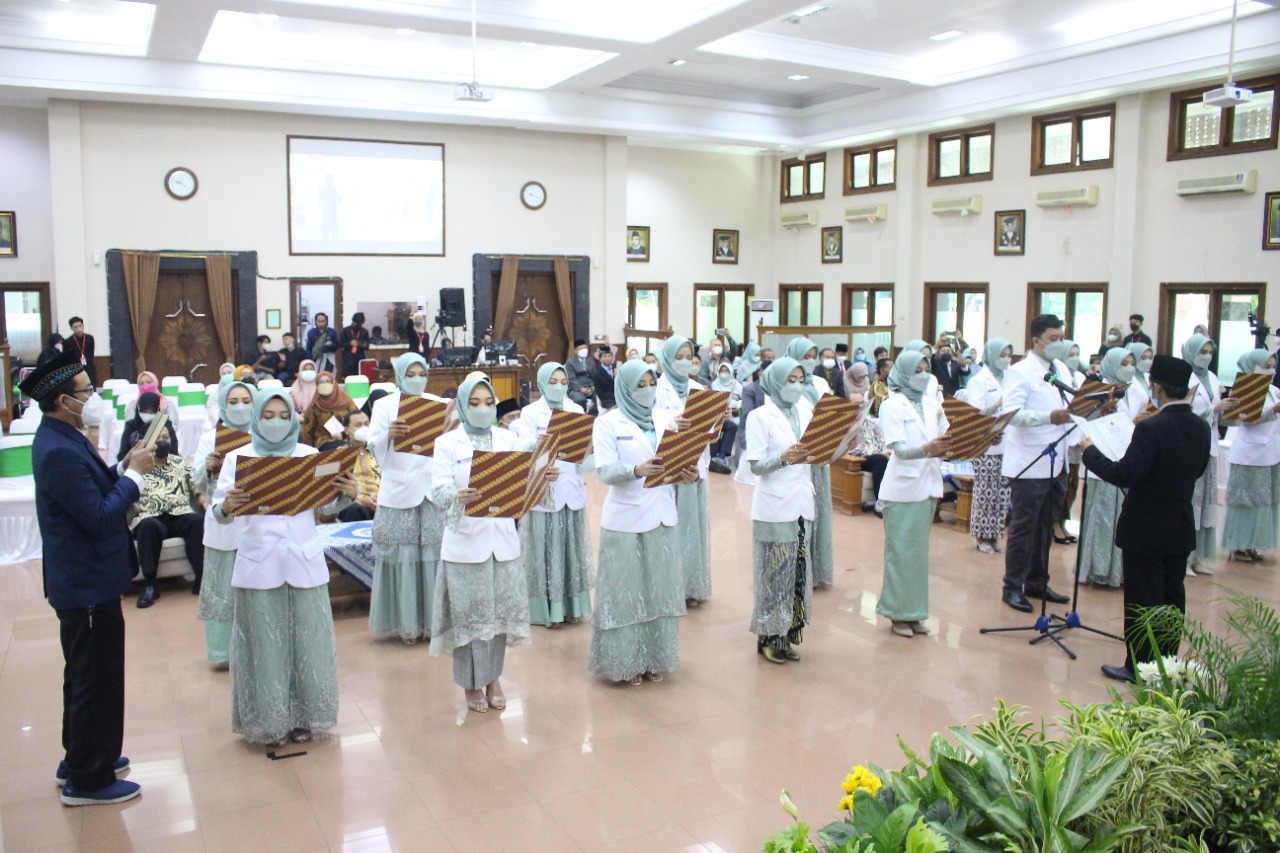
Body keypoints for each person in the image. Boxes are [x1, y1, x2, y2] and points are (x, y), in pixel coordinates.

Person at [23, 350, 154, 806]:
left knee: (83, 675)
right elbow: (98, 517)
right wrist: (134, 480)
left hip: (86, 581)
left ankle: (80, 756)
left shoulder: (65, 435)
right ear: (63, 400)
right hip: (86, 584)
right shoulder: (58, 449)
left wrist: (122, 468)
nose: (93, 397)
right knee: (94, 680)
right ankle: (89, 779)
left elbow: (92, 488)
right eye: (85, 391)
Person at [213, 389, 354, 746]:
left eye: (282, 415)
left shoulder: (308, 455)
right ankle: (270, 722)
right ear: (257, 418)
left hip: (303, 560)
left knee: (308, 643)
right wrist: (227, 506)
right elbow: (219, 514)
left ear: (294, 418)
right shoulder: (237, 458)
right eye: (268, 415)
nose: (275, 422)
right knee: (265, 646)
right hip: (259, 564)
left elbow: (326, 506)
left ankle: (306, 717)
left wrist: (346, 493)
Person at [1080, 355, 1211, 683]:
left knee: (1142, 599)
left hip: (1145, 527)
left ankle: (1137, 666)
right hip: (1179, 524)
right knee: (1171, 597)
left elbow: (1124, 474)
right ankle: (1167, 660)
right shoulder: (1200, 426)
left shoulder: (1152, 428)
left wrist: (1089, 452)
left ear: (1156, 387)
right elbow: (1198, 471)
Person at [430, 376, 535, 713]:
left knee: (498, 618)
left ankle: (494, 678)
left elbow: (522, 483)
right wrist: (456, 496)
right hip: (465, 542)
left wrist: (541, 476)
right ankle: (472, 683)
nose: (482, 409)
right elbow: (438, 490)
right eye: (474, 403)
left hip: (502, 542)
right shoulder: (447, 443)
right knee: (471, 617)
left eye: (488, 403)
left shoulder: (508, 437)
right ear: (462, 405)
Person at [590, 361, 686, 685]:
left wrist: (686, 471)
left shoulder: (664, 418)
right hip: (625, 517)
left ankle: (653, 657)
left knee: (656, 589)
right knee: (626, 592)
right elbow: (604, 470)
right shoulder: (607, 423)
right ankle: (625, 661)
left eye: (651, 383)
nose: (647, 390)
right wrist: (635, 471)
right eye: (640, 385)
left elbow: (676, 458)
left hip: (661, 513)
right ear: (626, 389)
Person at [367, 353, 449, 644]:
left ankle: (434, 622)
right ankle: (408, 625)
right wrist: (388, 435)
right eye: (410, 374)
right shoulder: (384, 405)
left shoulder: (438, 404)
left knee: (432, 558)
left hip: (430, 490)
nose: (416, 379)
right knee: (403, 559)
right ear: (399, 376)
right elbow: (372, 448)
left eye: (421, 373)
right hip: (399, 489)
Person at [999, 314, 1076, 613]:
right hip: (1030, 461)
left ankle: (1037, 581)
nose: (1059, 343)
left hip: (1057, 460)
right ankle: (1012, 586)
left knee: (1046, 526)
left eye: (1061, 338)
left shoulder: (1062, 370)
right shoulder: (1021, 372)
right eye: (1053, 338)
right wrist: (1047, 417)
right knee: (1023, 528)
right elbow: (1011, 414)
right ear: (1036, 341)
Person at [876, 352, 951, 637]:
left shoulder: (933, 404)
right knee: (900, 553)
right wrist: (929, 449)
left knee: (919, 555)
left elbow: (947, 438)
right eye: (916, 370)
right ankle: (897, 613)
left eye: (926, 369)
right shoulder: (892, 406)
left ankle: (915, 612)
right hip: (902, 488)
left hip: (928, 484)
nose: (923, 374)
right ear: (904, 373)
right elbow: (900, 449)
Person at [513, 363, 594, 628]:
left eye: (562, 381)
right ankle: (545, 610)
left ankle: (571, 607)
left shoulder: (576, 410)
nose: (558, 386)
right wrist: (537, 445)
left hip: (570, 488)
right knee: (544, 550)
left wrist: (589, 447)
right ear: (541, 383)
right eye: (552, 381)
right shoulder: (529, 413)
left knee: (569, 551)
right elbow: (521, 451)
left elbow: (582, 459)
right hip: (542, 490)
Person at [746, 358, 815, 663]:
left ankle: (787, 634)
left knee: (796, 573)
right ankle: (768, 637)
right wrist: (785, 458)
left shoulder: (806, 412)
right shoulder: (760, 417)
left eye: (801, 379)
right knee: (774, 573)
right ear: (775, 381)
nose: (797, 385)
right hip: (774, 505)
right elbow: (757, 466)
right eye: (790, 379)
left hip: (801, 503)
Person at [192, 379, 254, 668]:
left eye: (246, 400)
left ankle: (255, 647)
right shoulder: (209, 438)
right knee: (222, 588)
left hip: (255, 523)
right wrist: (206, 467)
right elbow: (196, 484)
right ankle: (222, 653)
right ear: (223, 406)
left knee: (254, 588)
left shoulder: (262, 437)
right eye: (233, 401)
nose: (240, 406)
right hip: (221, 522)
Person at [655, 335, 718, 605]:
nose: (683, 362)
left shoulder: (699, 388)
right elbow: (649, 427)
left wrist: (718, 421)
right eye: (677, 357)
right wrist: (671, 423)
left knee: (692, 529)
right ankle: (669, 586)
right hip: (667, 468)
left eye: (688, 357)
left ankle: (692, 586)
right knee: (669, 529)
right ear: (667, 359)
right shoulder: (655, 389)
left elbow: (710, 435)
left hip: (694, 467)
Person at [1077, 348, 1139, 588]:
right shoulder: (1099, 390)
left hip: (1126, 457)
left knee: (1119, 517)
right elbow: (1090, 421)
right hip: (1103, 457)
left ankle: (1117, 570)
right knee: (1101, 517)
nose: (1130, 366)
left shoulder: (1133, 388)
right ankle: (1097, 569)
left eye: (1132, 362)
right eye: (1125, 362)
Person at [129, 427, 204, 608]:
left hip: (179, 514)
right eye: (158, 438)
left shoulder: (181, 463)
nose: (163, 441)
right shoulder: (138, 465)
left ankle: (200, 580)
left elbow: (197, 487)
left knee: (196, 521)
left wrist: (204, 502)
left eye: (166, 437)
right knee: (149, 527)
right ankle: (150, 585)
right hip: (150, 516)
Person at [1183, 333, 1238, 574]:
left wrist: (1229, 410)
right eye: (1201, 352)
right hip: (1190, 445)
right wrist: (1214, 409)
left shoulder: (1213, 379)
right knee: (1191, 501)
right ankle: (1184, 558)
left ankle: (1198, 557)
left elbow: (1217, 413)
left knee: (1206, 501)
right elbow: (1182, 413)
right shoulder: (1184, 377)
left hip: (1211, 444)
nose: (1206, 356)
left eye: (1209, 352)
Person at [1221, 350, 1280, 563]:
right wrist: (1274, 410)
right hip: (1250, 455)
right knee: (1246, 500)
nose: (1271, 370)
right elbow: (1244, 420)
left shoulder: (1273, 390)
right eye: (1266, 366)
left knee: (1264, 500)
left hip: (1270, 452)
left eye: (1273, 366)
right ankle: (1238, 544)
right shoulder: (1244, 388)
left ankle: (1253, 543)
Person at [785, 337, 835, 590]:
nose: (810, 360)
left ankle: (819, 568)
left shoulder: (821, 382)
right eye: (805, 355)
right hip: (799, 454)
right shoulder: (786, 383)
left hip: (821, 452)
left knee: (820, 509)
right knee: (800, 515)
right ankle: (797, 569)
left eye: (813, 355)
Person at [965, 339, 1013, 554]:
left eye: (1009, 354)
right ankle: (981, 536)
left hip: (1007, 443)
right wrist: (997, 404)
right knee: (985, 492)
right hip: (986, 444)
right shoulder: (978, 380)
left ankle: (995, 535)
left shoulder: (1010, 377)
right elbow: (974, 414)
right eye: (1002, 354)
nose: (1006, 359)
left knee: (1002, 493)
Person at [318, 409, 381, 523]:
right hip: (355, 503)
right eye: (358, 425)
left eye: (366, 424)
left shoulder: (380, 451)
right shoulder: (339, 456)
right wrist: (360, 499)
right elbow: (336, 489)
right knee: (354, 509)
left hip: (382, 501)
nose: (364, 428)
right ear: (347, 431)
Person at [1053, 340, 1086, 546]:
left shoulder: (1081, 377)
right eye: (1070, 354)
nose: (1074, 357)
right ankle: (1055, 523)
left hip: (1078, 436)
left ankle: (1064, 522)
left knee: (1073, 483)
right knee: (1060, 484)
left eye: (1077, 353)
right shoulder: (1058, 374)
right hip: (1062, 435)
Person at [118, 391, 179, 462]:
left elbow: (173, 450)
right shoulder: (131, 426)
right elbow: (122, 454)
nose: (147, 415)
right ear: (138, 410)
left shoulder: (164, 424)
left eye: (151, 412)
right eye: (145, 412)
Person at [300, 371, 355, 448]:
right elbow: (308, 429)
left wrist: (344, 434)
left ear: (333, 383)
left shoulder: (347, 402)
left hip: (347, 438)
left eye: (327, 381)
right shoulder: (315, 405)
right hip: (324, 440)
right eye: (321, 382)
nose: (325, 384)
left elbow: (357, 420)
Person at [708, 361, 742, 473]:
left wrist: (733, 407)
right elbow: (718, 401)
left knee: (733, 426)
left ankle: (722, 456)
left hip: (733, 415)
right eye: (721, 371)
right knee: (716, 426)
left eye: (726, 371)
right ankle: (714, 456)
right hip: (716, 417)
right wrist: (735, 403)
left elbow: (742, 404)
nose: (724, 373)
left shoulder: (737, 385)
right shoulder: (714, 384)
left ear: (731, 372)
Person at [565, 339, 596, 410]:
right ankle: (581, 418)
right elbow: (571, 379)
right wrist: (581, 389)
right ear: (575, 351)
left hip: (591, 388)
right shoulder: (570, 363)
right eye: (581, 348)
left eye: (585, 348)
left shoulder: (590, 362)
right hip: (576, 389)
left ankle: (594, 417)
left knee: (600, 398)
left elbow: (595, 377)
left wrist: (592, 388)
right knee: (580, 400)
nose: (584, 350)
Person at [66, 316, 97, 386]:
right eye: (75, 327)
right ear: (71, 328)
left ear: (83, 326)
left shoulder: (89, 338)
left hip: (89, 367)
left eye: (80, 326)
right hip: (76, 370)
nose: (78, 329)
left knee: (92, 387)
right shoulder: (68, 341)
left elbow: (91, 352)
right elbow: (68, 358)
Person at [338, 312, 370, 378]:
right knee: (349, 377)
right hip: (348, 359)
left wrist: (362, 345)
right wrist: (350, 343)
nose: (357, 325)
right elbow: (340, 344)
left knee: (360, 377)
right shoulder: (345, 330)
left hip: (360, 358)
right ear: (353, 321)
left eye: (359, 323)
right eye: (356, 323)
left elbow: (367, 346)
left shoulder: (364, 331)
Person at [591, 346, 617, 411]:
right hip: (608, 400)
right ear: (600, 359)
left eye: (609, 356)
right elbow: (600, 393)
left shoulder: (616, 370)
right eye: (605, 356)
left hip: (619, 397)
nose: (607, 358)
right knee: (615, 409)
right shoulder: (597, 374)